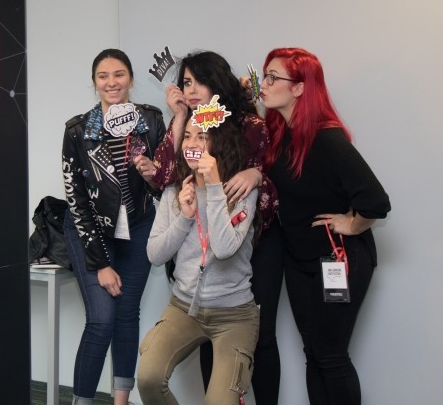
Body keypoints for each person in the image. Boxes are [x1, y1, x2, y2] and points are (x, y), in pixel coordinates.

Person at [135, 50, 282, 403]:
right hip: (190, 291)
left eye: (199, 81)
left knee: (261, 341)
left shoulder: (247, 131)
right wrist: (180, 118)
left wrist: (251, 175)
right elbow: (166, 178)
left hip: (247, 252)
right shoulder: (179, 183)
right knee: (157, 373)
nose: (192, 89)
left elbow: (273, 180)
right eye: (186, 82)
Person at [259, 47, 391, 404]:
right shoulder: (280, 133)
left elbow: (376, 201)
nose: (264, 84)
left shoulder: (326, 137)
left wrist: (353, 224)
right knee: (314, 353)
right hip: (300, 260)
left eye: (273, 77)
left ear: (300, 88)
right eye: (264, 76)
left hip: (339, 258)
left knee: (331, 356)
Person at [62, 48, 166, 405]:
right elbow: (76, 200)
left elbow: (165, 186)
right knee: (102, 319)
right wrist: (101, 263)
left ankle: (121, 401)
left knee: (126, 314)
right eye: (103, 76)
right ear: (94, 83)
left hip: (138, 226)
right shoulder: (77, 131)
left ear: (131, 80)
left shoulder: (150, 121)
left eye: (119, 74)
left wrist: (152, 175)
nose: (112, 82)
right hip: (90, 230)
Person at [137, 111, 260, 405]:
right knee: (149, 378)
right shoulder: (175, 191)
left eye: (202, 137)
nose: (192, 143)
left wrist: (214, 187)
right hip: (184, 308)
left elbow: (225, 248)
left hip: (234, 315)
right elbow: (155, 255)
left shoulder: (242, 191)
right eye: (188, 136)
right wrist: (184, 217)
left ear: (220, 143)